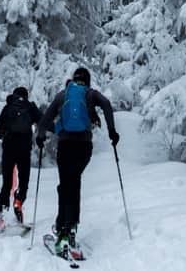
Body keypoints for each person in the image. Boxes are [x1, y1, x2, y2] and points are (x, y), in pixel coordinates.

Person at [36, 67, 119, 259]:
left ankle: (64, 232)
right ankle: (69, 228)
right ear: (87, 81)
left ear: (74, 80)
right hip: (84, 147)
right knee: (73, 184)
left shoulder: (63, 95)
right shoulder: (90, 94)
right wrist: (112, 131)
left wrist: (40, 137)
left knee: (66, 185)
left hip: (65, 146)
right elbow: (106, 104)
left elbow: (45, 118)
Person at [0, 86, 42, 232]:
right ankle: (18, 202)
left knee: (7, 183)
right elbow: (44, 121)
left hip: (9, 149)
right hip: (24, 150)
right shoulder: (30, 107)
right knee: (24, 181)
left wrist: (4, 134)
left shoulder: (8, 108)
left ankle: (2, 214)